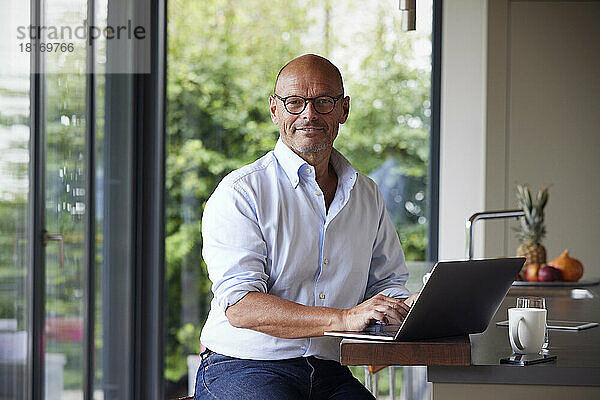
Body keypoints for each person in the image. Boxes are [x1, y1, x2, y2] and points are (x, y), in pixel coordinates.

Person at [195, 54, 418, 400]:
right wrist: (344, 317)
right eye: (294, 103)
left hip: (330, 370)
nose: (309, 115)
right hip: (243, 363)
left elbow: (387, 286)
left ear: (343, 110)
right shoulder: (241, 192)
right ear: (275, 110)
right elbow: (241, 306)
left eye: (323, 102)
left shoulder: (367, 195)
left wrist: (415, 307)